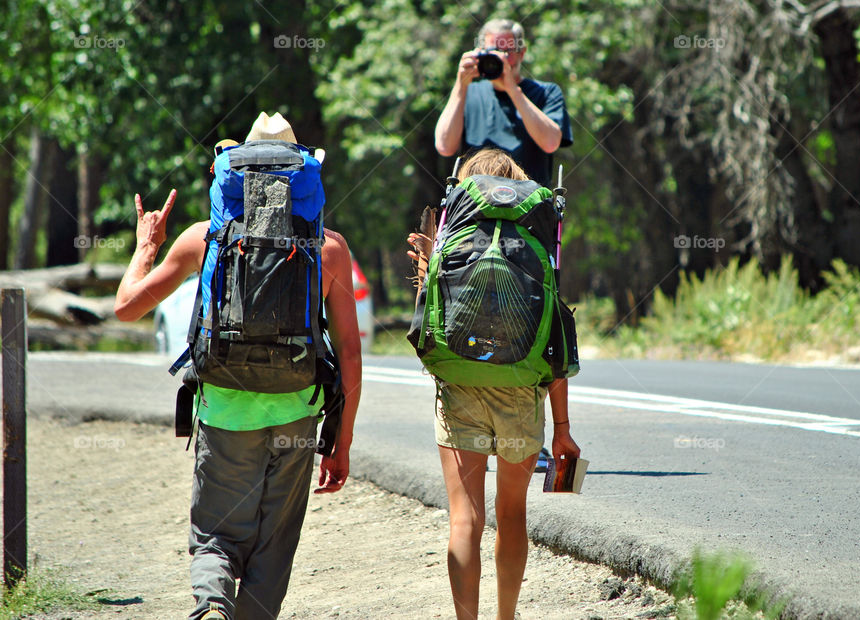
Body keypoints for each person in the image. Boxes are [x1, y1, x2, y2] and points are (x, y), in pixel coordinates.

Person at [114, 112, 362, 620]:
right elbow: (352, 356)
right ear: (302, 175)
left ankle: (212, 605)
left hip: (224, 408)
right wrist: (341, 443)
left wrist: (145, 248)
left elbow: (127, 307)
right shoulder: (329, 248)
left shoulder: (203, 237)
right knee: (274, 548)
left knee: (216, 536)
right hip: (296, 412)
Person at [407, 149, 581, 620]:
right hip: (522, 390)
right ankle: (506, 617)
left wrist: (426, 267)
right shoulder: (534, 237)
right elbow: (556, 345)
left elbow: (426, 331)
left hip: (460, 387)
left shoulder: (454, 230)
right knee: (511, 515)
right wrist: (562, 430)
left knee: (465, 519)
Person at [434, 18, 574, 188]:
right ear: (480, 53)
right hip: (475, 201)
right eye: (492, 52)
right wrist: (460, 84)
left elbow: (551, 143)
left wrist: (512, 89)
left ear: (522, 53)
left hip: (528, 201)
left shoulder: (546, 93)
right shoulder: (467, 93)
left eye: (507, 52)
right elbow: (444, 146)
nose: (500, 60)